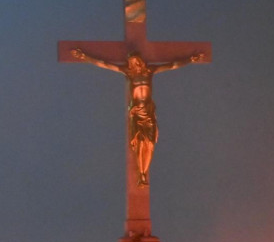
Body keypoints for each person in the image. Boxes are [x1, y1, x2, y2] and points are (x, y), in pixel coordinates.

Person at [70, 49, 204, 187]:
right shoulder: (129, 73)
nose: (133, 64)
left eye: (135, 61)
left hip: (148, 112)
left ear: (140, 61)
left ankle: (144, 171)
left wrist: (189, 60)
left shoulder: (150, 71)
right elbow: (105, 64)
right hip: (137, 114)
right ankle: (142, 173)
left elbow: (172, 65)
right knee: (140, 141)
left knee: (150, 143)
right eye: (131, 62)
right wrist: (86, 57)